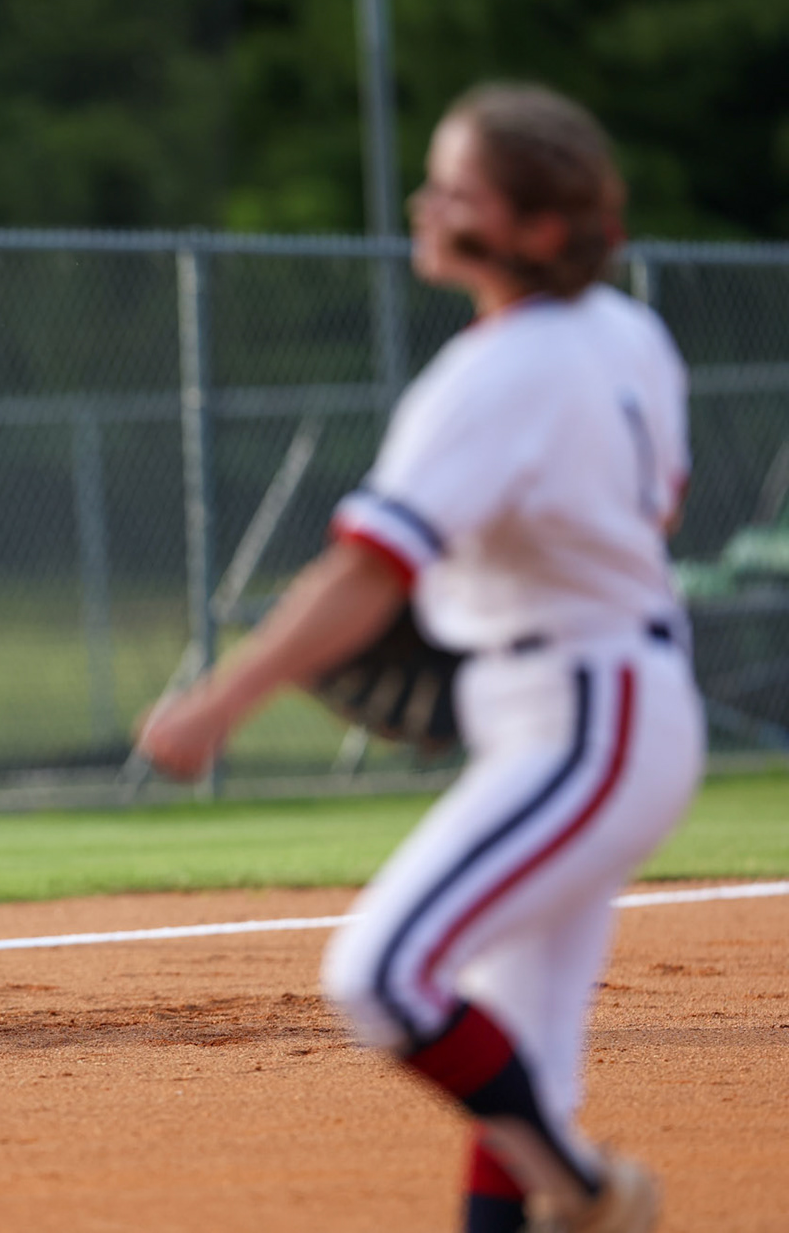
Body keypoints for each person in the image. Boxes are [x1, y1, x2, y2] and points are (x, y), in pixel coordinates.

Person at [141, 84, 698, 1233]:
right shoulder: (627, 329)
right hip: (602, 697)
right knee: (518, 1075)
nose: (425, 203)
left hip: (588, 713)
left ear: (538, 229)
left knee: (384, 975)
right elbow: (652, 512)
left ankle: (592, 1191)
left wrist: (216, 703)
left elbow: (364, 574)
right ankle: (563, 1179)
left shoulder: (497, 373)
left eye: (457, 188)